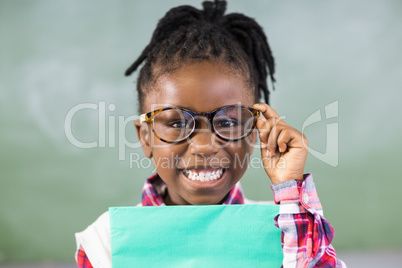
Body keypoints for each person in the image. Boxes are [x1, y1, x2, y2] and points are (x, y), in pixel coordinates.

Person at [75, 0, 346, 267]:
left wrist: (290, 191)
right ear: (146, 137)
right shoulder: (106, 243)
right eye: (178, 124)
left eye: (228, 123)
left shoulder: (289, 229)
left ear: (253, 131)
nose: (204, 145)